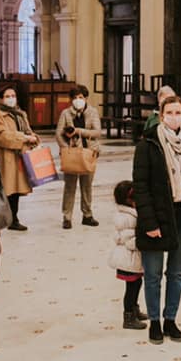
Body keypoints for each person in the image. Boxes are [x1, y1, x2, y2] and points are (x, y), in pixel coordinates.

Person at [133, 96, 181, 343]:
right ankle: (154, 320)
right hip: (156, 215)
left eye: (178, 112)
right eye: (169, 112)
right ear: (161, 115)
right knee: (153, 274)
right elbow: (140, 187)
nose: (174, 116)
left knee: (176, 273)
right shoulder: (148, 144)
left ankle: (170, 319)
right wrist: (149, 223)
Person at [0, 83, 40, 231]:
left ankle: (14, 219)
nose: (11, 99)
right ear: (1, 99)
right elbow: (0, 136)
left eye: (13, 96)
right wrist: (23, 138)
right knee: (7, 189)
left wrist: (33, 137)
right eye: (7, 96)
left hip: (21, 157)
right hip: (7, 158)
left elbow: (28, 130)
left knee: (16, 190)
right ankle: (6, 218)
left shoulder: (21, 114)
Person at [56, 85, 101, 229]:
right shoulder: (66, 113)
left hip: (89, 153)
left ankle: (87, 215)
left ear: (86, 98)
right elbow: (58, 133)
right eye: (75, 98)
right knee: (69, 186)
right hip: (72, 154)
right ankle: (67, 216)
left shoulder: (93, 112)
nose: (78, 100)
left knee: (87, 186)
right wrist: (64, 147)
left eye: (80, 97)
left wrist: (79, 131)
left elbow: (97, 132)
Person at [109, 180, 148, 331]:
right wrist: (143, 241)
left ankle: (135, 310)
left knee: (136, 284)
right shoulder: (127, 218)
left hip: (132, 259)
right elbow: (128, 240)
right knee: (131, 289)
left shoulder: (129, 214)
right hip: (128, 259)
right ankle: (128, 317)